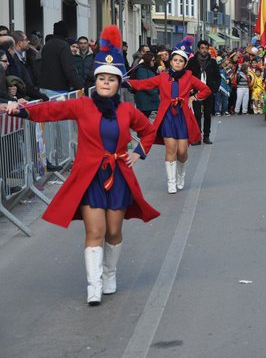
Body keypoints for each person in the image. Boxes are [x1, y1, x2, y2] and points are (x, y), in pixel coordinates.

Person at [0, 25, 159, 305]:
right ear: (95, 81)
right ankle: (94, 284)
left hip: (118, 177)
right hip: (90, 178)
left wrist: (138, 152)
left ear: (118, 82)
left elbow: (149, 130)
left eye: (111, 79)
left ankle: (109, 275)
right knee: (94, 231)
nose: (106, 83)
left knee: (113, 231)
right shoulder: (82, 105)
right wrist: (21, 109)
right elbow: (50, 109)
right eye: (102, 78)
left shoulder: (128, 110)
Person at [125, 49, 211, 194]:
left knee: (182, 151)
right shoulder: (162, 77)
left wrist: (193, 98)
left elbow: (206, 90)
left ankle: (180, 175)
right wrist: (124, 82)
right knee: (171, 148)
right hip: (167, 116)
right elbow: (144, 84)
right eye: (175, 60)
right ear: (170, 62)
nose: (177, 63)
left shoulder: (189, 77)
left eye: (181, 61)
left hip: (182, 116)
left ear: (185, 64)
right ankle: (171, 182)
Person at [39, 20, 84, 97]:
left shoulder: (46, 45)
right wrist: (80, 86)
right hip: (58, 89)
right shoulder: (64, 46)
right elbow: (69, 69)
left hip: (43, 88)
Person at [187, 40, 220, 144]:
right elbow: (187, 76)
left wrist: (214, 90)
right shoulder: (192, 61)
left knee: (207, 114)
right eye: (202, 48)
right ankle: (197, 137)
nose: (204, 50)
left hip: (208, 91)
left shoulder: (212, 61)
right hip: (196, 92)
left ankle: (206, 136)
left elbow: (218, 77)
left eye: (206, 48)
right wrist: (190, 89)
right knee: (196, 115)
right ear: (198, 49)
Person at [133, 52, 160, 119]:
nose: (154, 62)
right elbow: (144, 84)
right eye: (152, 60)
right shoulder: (142, 70)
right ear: (148, 60)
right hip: (145, 101)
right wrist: (155, 91)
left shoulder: (149, 69)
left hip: (149, 101)